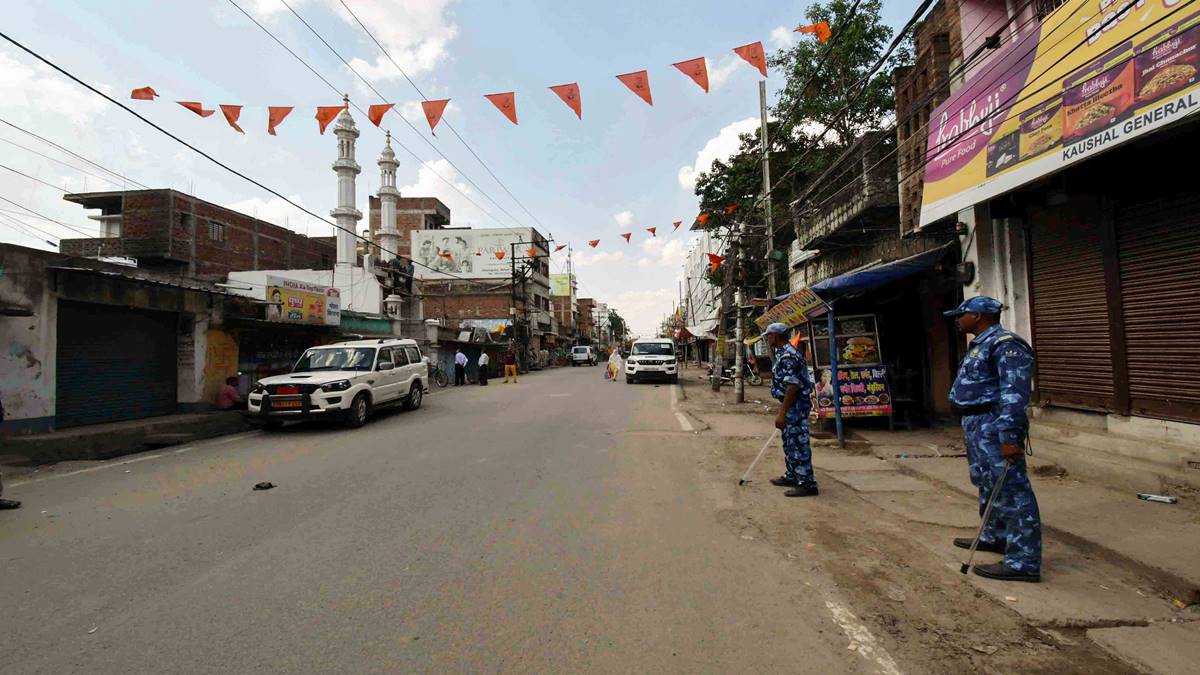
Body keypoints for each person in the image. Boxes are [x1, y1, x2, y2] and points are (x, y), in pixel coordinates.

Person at [945, 296, 1041, 582]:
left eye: (961, 315)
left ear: (977, 316)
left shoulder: (1006, 344)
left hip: (994, 424)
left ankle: (1023, 561)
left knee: (1011, 489)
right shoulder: (982, 344)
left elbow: (1014, 395)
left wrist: (1010, 436)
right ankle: (994, 535)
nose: (957, 320)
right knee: (986, 482)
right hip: (977, 423)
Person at [764, 322, 818, 497]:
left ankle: (807, 483)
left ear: (777, 336)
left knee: (798, 442)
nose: (767, 338)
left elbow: (792, 386)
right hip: (789, 405)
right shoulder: (781, 353)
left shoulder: (789, 355)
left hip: (795, 405)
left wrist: (782, 412)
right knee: (789, 441)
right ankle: (793, 475)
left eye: (769, 335)